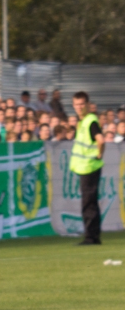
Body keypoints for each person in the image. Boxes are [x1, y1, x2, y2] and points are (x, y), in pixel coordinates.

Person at [69, 92, 104, 245]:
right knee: (90, 202)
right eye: (76, 104)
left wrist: (99, 155)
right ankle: (93, 235)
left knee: (88, 203)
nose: (79, 107)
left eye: (82, 104)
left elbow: (100, 140)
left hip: (90, 167)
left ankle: (91, 237)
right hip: (85, 167)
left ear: (88, 104)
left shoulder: (90, 121)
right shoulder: (83, 121)